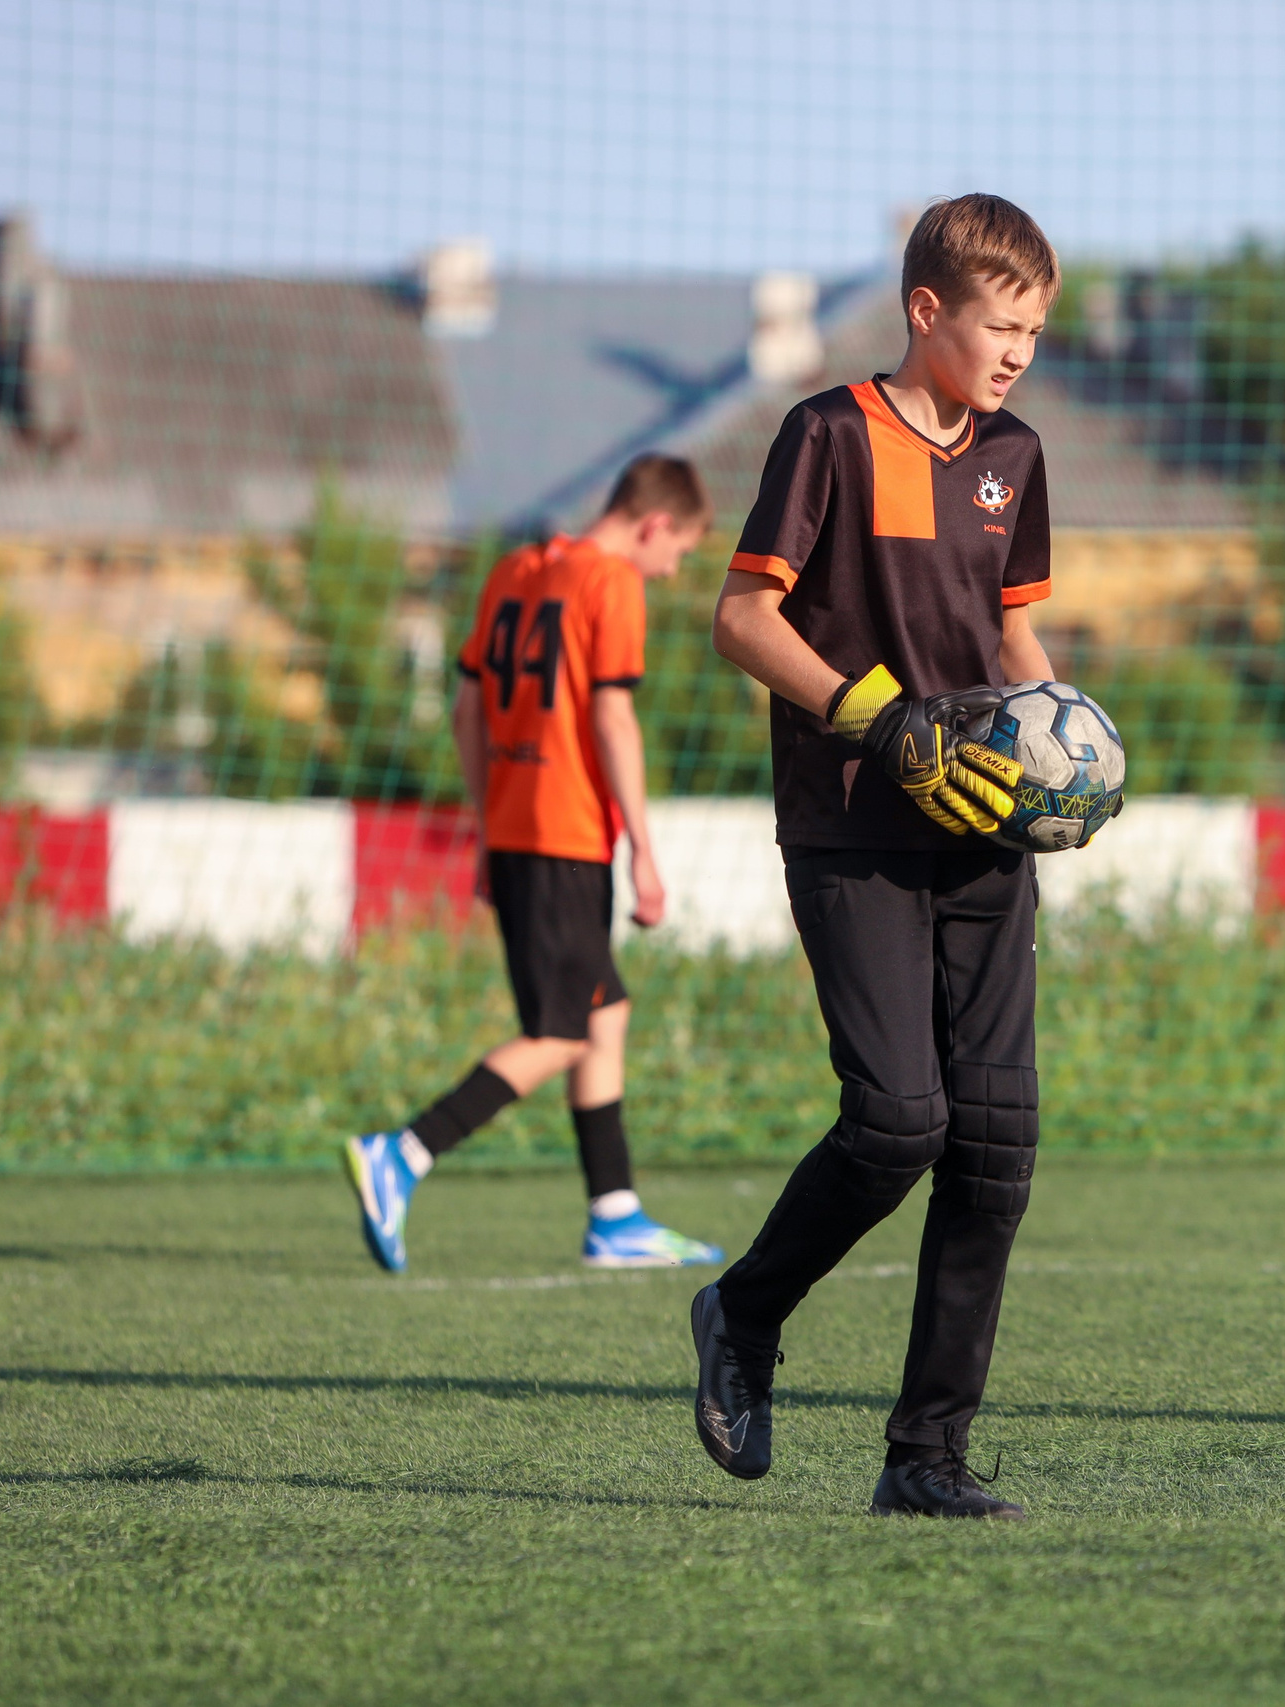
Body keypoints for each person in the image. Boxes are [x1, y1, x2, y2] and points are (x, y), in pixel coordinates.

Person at [693, 194, 1060, 1519]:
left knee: (998, 1141)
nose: (1019, 349)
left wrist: (1066, 739)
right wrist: (877, 715)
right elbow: (741, 618)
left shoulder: (1015, 450)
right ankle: (743, 1309)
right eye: (998, 323)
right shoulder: (828, 433)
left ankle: (926, 1457)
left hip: (984, 833)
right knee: (901, 1120)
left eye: (1033, 327)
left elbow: (1014, 640)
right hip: (851, 821)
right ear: (927, 311)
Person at [343, 456, 728, 1275]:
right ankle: (403, 1152)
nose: (672, 568)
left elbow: (467, 708)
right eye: (681, 550)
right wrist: (645, 850)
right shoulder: (612, 583)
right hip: (569, 838)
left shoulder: (515, 571)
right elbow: (614, 720)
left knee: (605, 1012)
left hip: (519, 829)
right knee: (559, 1033)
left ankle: (614, 1214)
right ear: (655, 524)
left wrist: (489, 825)